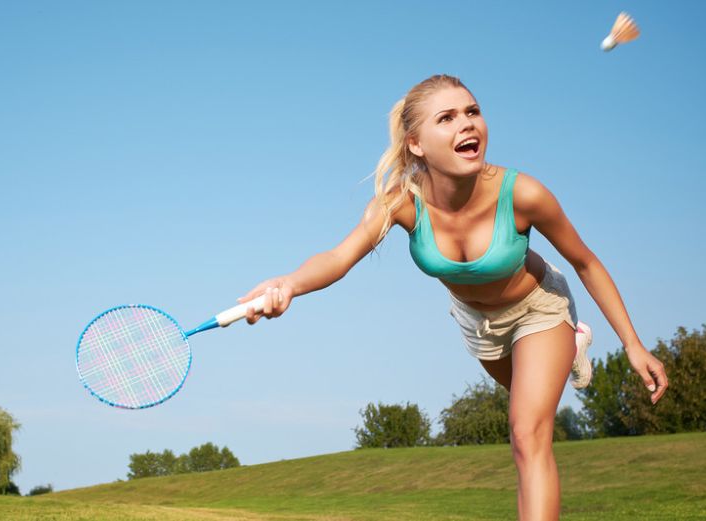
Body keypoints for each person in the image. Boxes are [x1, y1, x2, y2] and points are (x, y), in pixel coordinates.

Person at [237, 74, 668, 521]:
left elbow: (587, 263)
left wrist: (633, 345)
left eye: (472, 112)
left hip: (538, 308)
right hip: (477, 325)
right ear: (417, 144)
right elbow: (338, 257)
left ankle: (564, 340)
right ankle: (573, 349)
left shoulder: (522, 194)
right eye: (447, 118)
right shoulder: (400, 202)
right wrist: (289, 283)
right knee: (524, 432)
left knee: (528, 435)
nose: (467, 124)